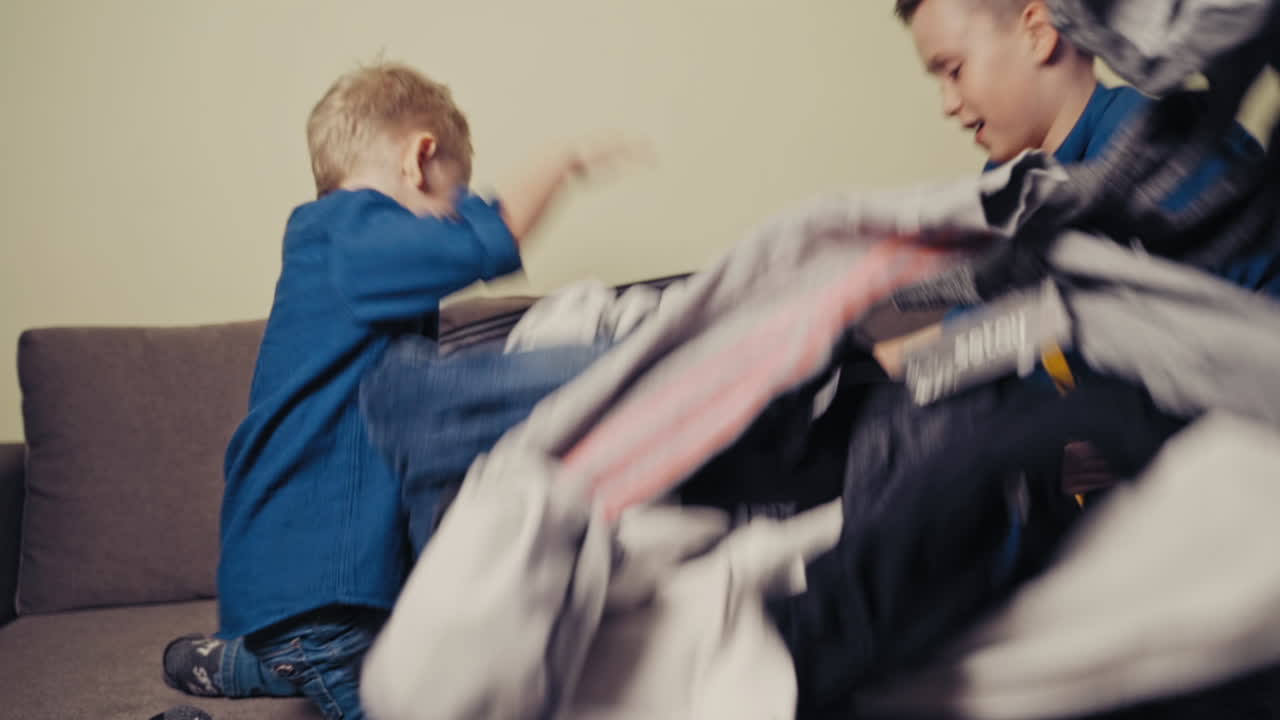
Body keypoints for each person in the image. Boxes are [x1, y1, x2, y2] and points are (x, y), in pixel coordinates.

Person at [160, 61, 644, 719]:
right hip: (321, 600)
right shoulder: (341, 232)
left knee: (317, 654)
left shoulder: (351, 259)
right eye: (455, 192)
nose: (455, 210)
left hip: (315, 597)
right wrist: (559, 166)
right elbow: (482, 245)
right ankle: (260, 664)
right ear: (420, 159)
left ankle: (238, 662)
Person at [874, 0, 1264, 375]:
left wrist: (942, 349)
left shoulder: (1163, 154)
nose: (947, 103)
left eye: (954, 70)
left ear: (1038, 34)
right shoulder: (1003, 185)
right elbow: (995, 298)